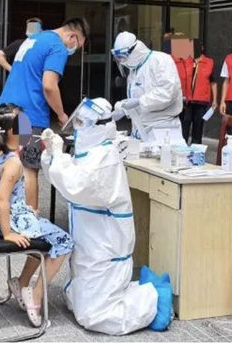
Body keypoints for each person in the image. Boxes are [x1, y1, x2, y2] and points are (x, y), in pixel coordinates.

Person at [40, 98, 165, 335]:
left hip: (106, 246)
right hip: (90, 242)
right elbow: (62, 178)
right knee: (77, 301)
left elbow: (76, 185)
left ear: (99, 125)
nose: (77, 127)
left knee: (95, 317)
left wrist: (59, 156)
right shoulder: (89, 152)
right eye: (76, 121)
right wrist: (51, 155)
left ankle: (155, 296)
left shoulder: (104, 157)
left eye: (81, 122)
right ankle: (140, 290)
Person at [0, 105, 73, 327]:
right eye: (20, 122)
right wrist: (8, 233)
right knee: (64, 241)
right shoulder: (14, 163)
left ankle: (21, 282)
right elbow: (2, 199)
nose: (26, 124)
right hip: (6, 222)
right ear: (9, 132)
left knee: (42, 232)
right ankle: (35, 294)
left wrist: (25, 210)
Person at [0, 17, 89, 211]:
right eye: (77, 45)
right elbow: (49, 86)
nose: (74, 51)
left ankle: (2, 215)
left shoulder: (36, 38)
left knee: (5, 162)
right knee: (29, 169)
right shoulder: (57, 47)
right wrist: (62, 115)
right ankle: (29, 222)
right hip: (27, 114)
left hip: (5, 109)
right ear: (72, 36)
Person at [111, 31, 183, 142]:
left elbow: (168, 92)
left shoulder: (160, 60)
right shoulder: (134, 71)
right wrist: (124, 110)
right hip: (140, 130)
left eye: (123, 56)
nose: (122, 61)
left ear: (134, 50)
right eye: (118, 57)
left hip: (163, 131)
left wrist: (139, 101)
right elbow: (136, 101)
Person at [174, 42, 217, 144]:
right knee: (184, 126)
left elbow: (213, 83)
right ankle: (181, 149)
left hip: (201, 100)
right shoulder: (186, 61)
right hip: (187, 101)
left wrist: (215, 100)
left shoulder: (209, 62)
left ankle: (196, 151)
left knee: (198, 128)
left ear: (202, 47)